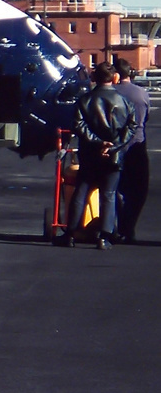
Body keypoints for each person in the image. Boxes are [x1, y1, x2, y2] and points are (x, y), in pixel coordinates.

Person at [55, 61, 138, 250]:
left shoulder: (84, 100)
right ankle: (104, 236)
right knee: (108, 195)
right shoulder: (125, 102)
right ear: (114, 78)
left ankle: (70, 234)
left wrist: (97, 142)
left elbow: (79, 125)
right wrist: (114, 146)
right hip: (114, 157)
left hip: (90, 155)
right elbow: (132, 127)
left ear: (94, 78)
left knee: (81, 193)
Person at [114, 58, 149, 243]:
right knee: (139, 188)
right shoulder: (141, 94)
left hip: (115, 145)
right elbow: (146, 118)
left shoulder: (112, 93)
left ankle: (121, 225)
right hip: (137, 144)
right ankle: (130, 226)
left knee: (115, 187)